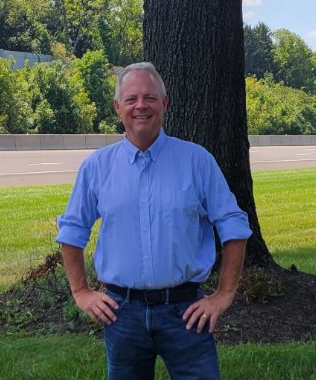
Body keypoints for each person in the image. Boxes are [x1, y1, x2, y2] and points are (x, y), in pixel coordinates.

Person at [56, 62, 251, 379]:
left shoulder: (196, 161)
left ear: (165, 104)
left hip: (186, 313)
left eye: (149, 97)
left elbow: (234, 226)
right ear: (118, 108)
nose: (140, 106)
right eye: (131, 99)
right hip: (122, 314)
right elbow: (72, 231)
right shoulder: (96, 168)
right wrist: (81, 292)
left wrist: (224, 295)